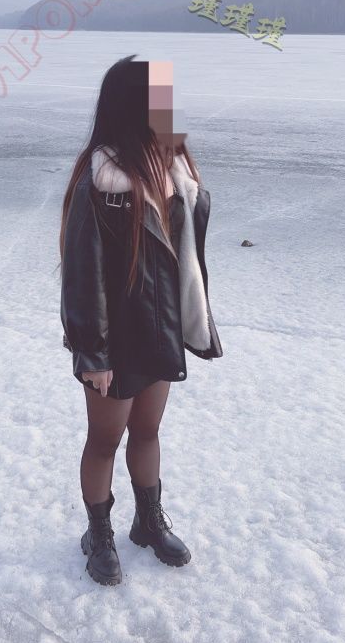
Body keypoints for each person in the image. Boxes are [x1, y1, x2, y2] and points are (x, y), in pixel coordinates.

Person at [58, 56, 223, 586]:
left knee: (148, 431)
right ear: (135, 105)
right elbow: (82, 273)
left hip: (160, 328)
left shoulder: (174, 169)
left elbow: (185, 259)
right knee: (104, 440)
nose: (170, 108)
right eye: (160, 98)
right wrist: (92, 352)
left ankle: (148, 522)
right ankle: (97, 534)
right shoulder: (100, 179)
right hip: (114, 338)